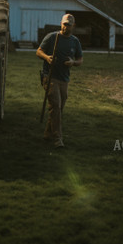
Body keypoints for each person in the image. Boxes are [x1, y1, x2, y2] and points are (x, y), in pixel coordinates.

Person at [36, 14, 83, 148]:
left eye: (68, 25)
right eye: (64, 24)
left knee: (58, 108)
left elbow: (80, 60)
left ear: (73, 26)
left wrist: (73, 62)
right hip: (50, 76)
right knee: (56, 106)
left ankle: (47, 134)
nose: (65, 27)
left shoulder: (75, 41)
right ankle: (58, 139)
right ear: (61, 23)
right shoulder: (52, 37)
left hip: (64, 79)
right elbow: (38, 51)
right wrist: (47, 58)